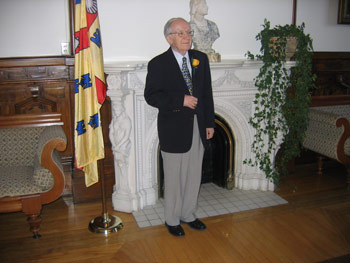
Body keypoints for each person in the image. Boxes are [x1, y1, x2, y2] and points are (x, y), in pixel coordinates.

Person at [144, 17, 215, 237]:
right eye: (181, 33)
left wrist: (210, 122)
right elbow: (151, 96)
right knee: (174, 177)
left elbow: (206, 93)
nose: (187, 36)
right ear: (169, 38)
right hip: (173, 128)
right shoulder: (158, 63)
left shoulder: (200, 59)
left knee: (194, 174)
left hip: (198, 124)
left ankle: (188, 214)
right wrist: (180, 100)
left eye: (188, 32)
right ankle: (172, 219)